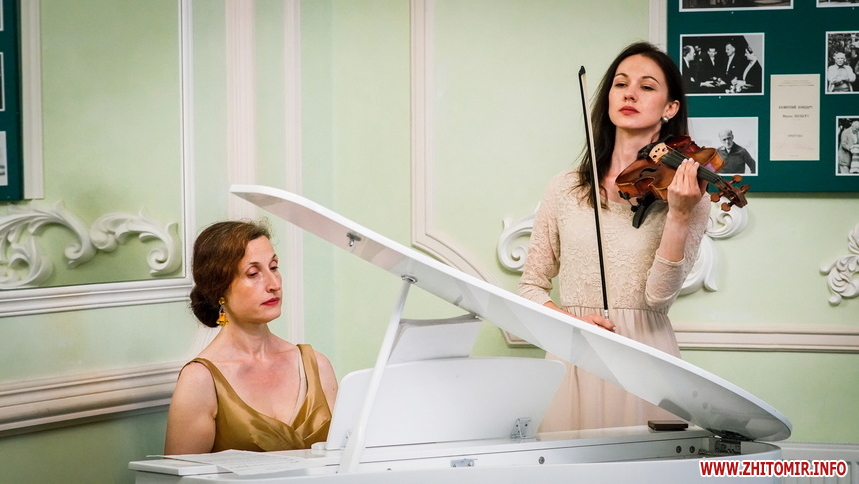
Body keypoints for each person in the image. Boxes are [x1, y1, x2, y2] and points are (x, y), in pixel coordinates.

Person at [519, 42, 711, 432]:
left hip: (646, 360)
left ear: (670, 108)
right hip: (574, 357)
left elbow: (658, 298)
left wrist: (679, 214)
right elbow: (530, 288)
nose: (629, 93)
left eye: (647, 86)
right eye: (621, 84)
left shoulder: (687, 193)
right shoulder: (565, 187)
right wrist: (572, 322)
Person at [164, 220, 338, 454]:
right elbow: (181, 473)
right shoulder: (200, 380)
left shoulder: (316, 365)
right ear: (219, 289)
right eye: (253, 273)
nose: (274, 284)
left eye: (274, 267)